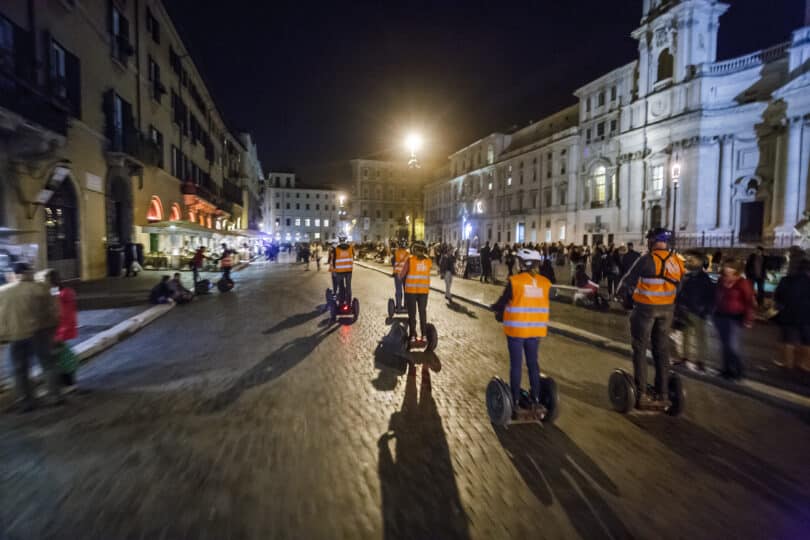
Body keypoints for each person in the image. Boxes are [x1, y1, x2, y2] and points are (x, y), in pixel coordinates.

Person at [617, 228, 684, 407]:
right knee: (661, 350)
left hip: (645, 309)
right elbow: (680, 287)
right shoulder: (677, 261)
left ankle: (642, 393)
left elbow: (627, 282)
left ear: (653, 241)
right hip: (667, 311)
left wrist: (622, 297)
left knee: (639, 348)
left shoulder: (647, 259)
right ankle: (663, 394)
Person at [490, 249, 551, 417]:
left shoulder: (515, 281)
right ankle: (536, 399)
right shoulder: (545, 283)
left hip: (517, 331)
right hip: (536, 331)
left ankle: (515, 401)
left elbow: (502, 302)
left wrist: (495, 309)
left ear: (523, 263)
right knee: (533, 364)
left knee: (516, 365)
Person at [0, 262, 62, 411]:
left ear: (14, 275)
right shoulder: (40, 289)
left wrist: (3, 335)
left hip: (15, 336)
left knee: (19, 369)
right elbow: (52, 312)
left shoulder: (3, 291)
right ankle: (55, 396)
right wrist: (53, 330)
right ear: (28, 273)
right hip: (38, 333)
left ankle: (25, 401)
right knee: (47, 364)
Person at [714, 257, 754, 379]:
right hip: (720, 316)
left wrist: (748, 318)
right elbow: (716, 296)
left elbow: (749, 301)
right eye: (726, 266)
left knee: (732, 346)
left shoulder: (742, 282)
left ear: (736, 269)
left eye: (731, 267)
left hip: (735, 317)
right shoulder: (721, 280)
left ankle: (738, 370)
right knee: (724, 345)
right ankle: (726, 369)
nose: (727, 269)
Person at [675, 251, 715, 371]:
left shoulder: (704, 278)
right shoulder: (686, 276)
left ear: (700, 262)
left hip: (698, 312)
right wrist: (679, 306)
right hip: (686, 311)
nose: (689, 261)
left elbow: (710, 296)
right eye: (689, 259)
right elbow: (679, 293)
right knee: (685, 336)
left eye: (693, 259)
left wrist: (705, 310)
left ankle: (700, 361)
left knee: (700, 337)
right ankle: (684, 358)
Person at [773, 257, 810, 370]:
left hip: (788, 314)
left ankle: (787, 363)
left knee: (788, 340)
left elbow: (778, 296)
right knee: (807, 341)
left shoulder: (786, 280)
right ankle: (804, 364)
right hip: (807, 315)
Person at [399, 241, 432, 347]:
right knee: (422, 313)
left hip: (411, 291)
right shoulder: (428, 261)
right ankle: (424, 336)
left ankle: (412, 336)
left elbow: (401, 275)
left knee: (412, 314)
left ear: (415, 250)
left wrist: (400, 275)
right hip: (423, 292)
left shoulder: (410, 260)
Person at [48, 270, 78, 387]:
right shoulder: (63, 291)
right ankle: (69, 381)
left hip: (61, 330)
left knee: (62, 357)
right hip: (64, 328)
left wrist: (59, 334)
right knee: (63, 355)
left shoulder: (60, 294)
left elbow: (62, 314)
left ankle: (68, 382)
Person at [334, 235, 354, 304]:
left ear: (339, 240)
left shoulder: (336, 249)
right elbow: (353, 257)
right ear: (345, 240)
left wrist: (334, 270)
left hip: (339, 271)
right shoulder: (351, 248)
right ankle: (349, 302)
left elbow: (334, 260)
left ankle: (341, 301)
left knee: (341, 287)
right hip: (349, 270)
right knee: (348, 286)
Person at [391, 239, 409, 310]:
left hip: (398, 274)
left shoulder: (396, 252)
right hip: (406, 274)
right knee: (406, 290)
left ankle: (398, 307)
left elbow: (393, 262)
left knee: (398, 290)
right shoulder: (408, 253)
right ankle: (406, 306)